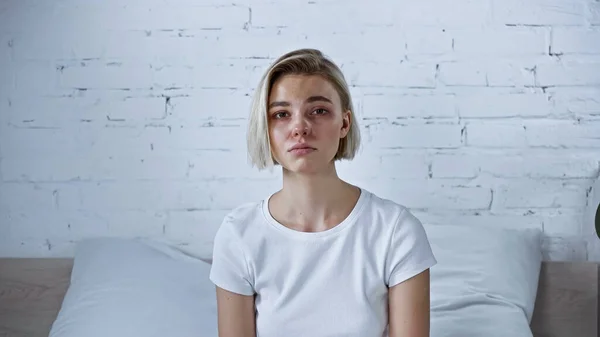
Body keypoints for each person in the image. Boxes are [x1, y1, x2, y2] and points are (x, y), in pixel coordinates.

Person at [209, 48, 437, 337]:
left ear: (344, 123)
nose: (299, 128)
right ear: (265, 130)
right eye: (281, 114)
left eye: (318, 111)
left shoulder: (396, 231)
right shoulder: (239, 235)